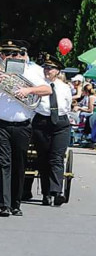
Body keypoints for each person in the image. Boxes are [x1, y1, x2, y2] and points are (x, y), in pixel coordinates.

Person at [0, 40, 52, 217]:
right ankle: (4, 205)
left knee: (19, 164)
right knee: (2, 163)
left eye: (16, 54)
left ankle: (15, 203)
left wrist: (28, 91)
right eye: (8, 54)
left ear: (21, 55)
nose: (12, 57)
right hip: (0, 124)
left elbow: (47, 89)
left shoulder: (30, 71)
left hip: (23, 126)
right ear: (2, 56)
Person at [32, 54, 72, 206]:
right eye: (45, 68)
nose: (47, 70)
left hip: (60, 122)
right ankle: (46, 192)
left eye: (51, 68)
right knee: (43, 158)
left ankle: (56, 192)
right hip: (42, 121)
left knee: (56, 157)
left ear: (57, 71)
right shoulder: (38, 84)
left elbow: (67, 105)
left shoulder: (64, 87)